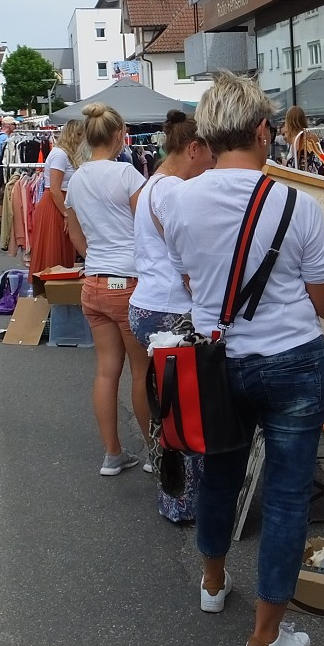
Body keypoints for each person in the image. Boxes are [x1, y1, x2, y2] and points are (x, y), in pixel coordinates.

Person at [163, 71, 324, 646]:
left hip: (218, 363)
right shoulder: (298, 205)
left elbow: (190, 278)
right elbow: (323, 301)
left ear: (207, 135)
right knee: (287, 497)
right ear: (263, 131)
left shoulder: (181, 200)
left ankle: (212, 585)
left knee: (218, 476)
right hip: (291, 362)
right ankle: (264, 639)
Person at [129, 110, 214, 519]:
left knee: (170, 413)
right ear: (194, 149)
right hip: (170, 311)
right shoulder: (173, 191)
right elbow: (186, 258)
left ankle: (176, 497)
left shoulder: (154, 185)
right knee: (184, 414)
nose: (214, 164)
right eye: (210, 154)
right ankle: (184, 503)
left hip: (151, 304)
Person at [64, 103, 149, 476]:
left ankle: (112, 454)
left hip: (94, 281)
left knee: (105, 371)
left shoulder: (78, 177)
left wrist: (93, 255)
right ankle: (155, 454)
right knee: (141, 371)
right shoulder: (127, 174)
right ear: (119, 136)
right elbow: (148, 226)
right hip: (128, 283)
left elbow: (73, 229)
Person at [28, 119, 84, 278]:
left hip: (61, 203)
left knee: (62, 249)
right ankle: (51, 292)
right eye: (81, 135)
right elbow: (54, 189)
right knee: (53, 250)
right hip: (56, 205)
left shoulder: (66, 154)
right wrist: (66, 214)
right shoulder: (60, 154)